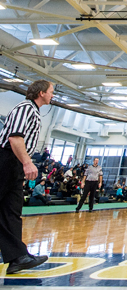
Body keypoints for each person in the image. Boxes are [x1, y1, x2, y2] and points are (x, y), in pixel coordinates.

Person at [0, 79, 53, 273]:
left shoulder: (34, 111)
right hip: (6, 159)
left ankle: (17, 257)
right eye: (50, 91)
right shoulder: (26, 108)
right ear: (41, 93)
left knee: (11, 211)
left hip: (14, 163)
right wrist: (27, 162)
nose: (52, 95)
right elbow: (14, 137)